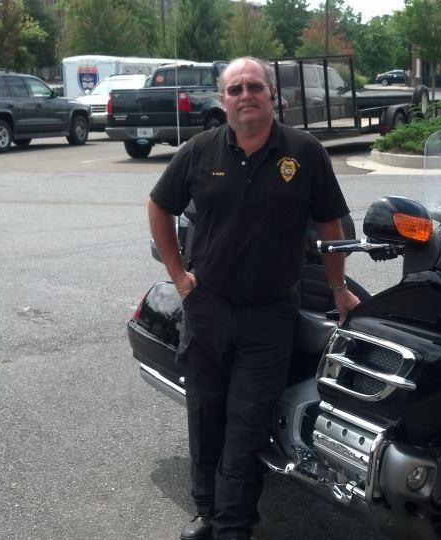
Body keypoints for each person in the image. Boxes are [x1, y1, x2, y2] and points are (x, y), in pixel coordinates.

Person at [147, 57, 361, 540]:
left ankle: (233, 525)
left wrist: (339, 288)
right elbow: (160, 206)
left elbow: (331, 225)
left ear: (272, 95)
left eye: (255, 87)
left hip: (270, 313)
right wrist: (178, 276)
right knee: (206, 413)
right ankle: (207, 511)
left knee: (247, 421)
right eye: (236, 89)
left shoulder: (304, 152)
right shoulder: (199, 150)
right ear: (223, 100)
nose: (246, 95)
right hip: (208, 307)